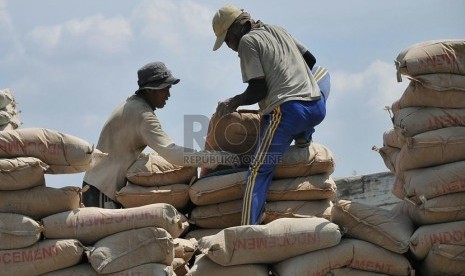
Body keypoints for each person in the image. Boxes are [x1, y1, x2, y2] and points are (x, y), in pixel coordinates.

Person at [211, 5, 328, 225]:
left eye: (226, 41)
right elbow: (311, 61)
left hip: (288, 113)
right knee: (323, 75)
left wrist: (233, 102)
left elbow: (258, 90)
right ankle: (304, 135)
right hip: (316, 107)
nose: (229, 47)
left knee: (257, 170)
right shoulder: (277, 29)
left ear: (234, 31)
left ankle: (248, 229)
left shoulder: (247, 42)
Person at [83, 61, 238, 208]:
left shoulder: (131, 105)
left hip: (95, 185)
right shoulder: (143, 115)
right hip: (103, 190)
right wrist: (218, 158)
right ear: (150, 89)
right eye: (165, 89)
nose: (168, 95)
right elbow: (173, 154)